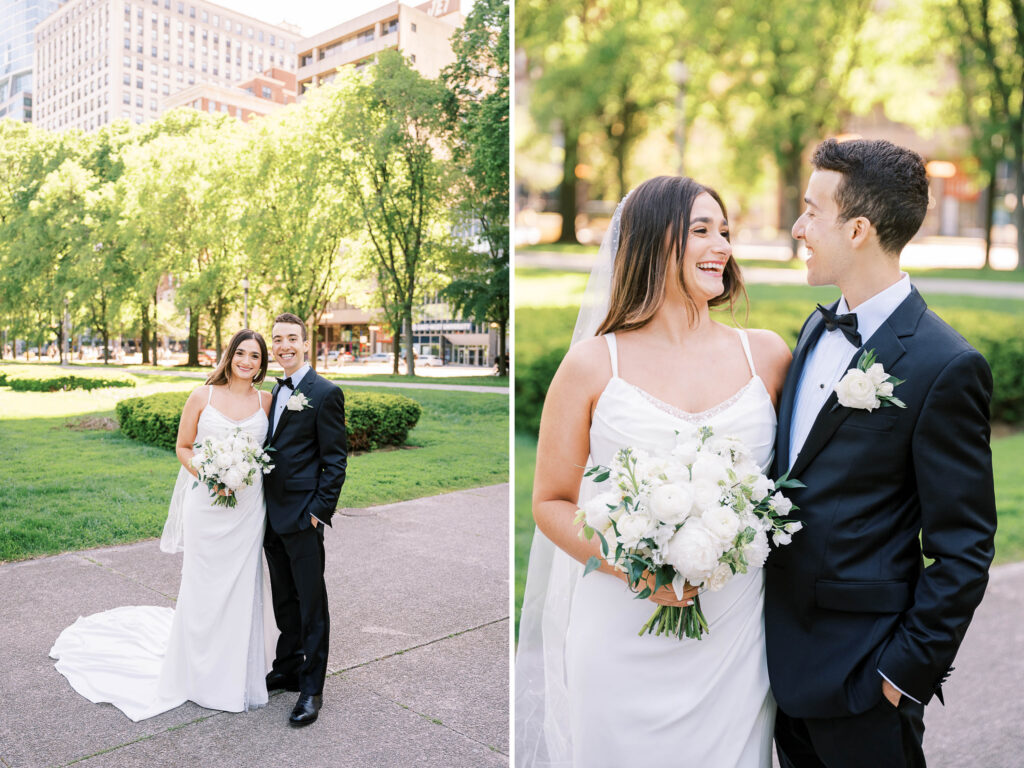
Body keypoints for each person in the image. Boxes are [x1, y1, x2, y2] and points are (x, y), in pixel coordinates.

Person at [516, 176, 792, 766]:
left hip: (735, 634)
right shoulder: (592, 364)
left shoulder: (767, 356)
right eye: (700, 230)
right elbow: (551, 502)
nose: (720, 245)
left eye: (724, 231)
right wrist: (631, 567)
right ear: (650, 239)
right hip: (620, 631)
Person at [766, 138, 998, 768]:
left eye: (813, 211)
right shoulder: (816, 327)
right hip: (770, 667)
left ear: (860, 228)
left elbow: (965, 546)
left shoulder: (945, 366)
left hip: (864, 681)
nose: (798, 226)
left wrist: (901, 673)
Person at [50, 329, 275, 721]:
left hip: (248, 510)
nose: (247, 362)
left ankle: (235, 671)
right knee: (203, 587)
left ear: (262, 363)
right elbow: (183, 447)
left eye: (255, 356)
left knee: (242, 586)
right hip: (207, 506)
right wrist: (211, 475)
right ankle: (196, 673)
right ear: (229, 355)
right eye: (241, 354)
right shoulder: (201, 396)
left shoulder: (266, 400)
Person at [262, 312, 348, 727]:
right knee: (284, 598)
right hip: (269, 517)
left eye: (291, 338)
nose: (284, 346)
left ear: (306, 343)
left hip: (302, 517)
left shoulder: (325, 392)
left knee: (312, 604)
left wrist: (317, 513)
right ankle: (288, 667)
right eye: (277, 339)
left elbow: (335, 462)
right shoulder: (275, 391)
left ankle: (311, 688)